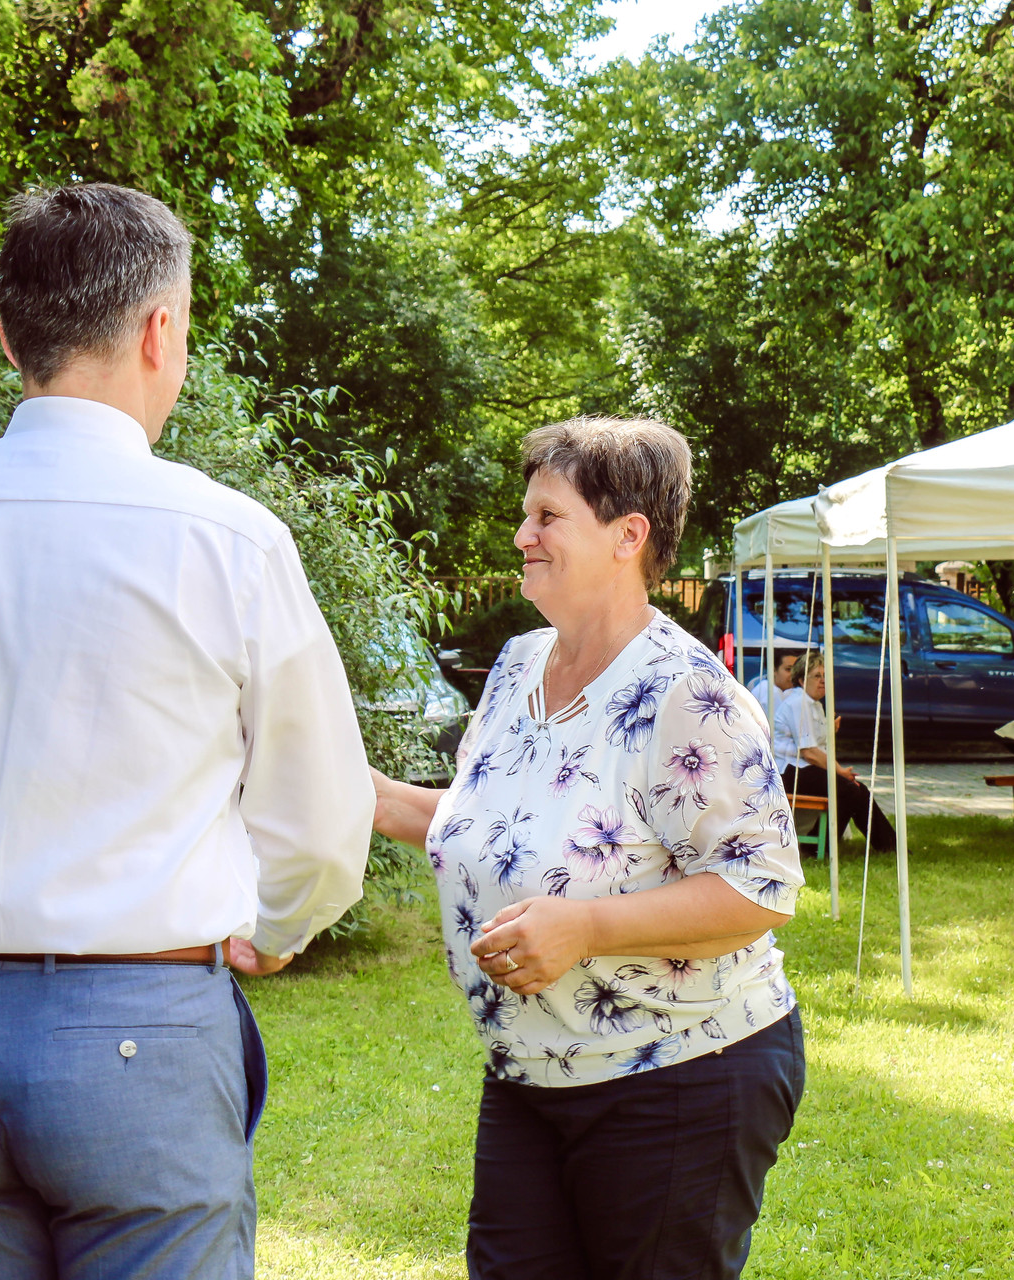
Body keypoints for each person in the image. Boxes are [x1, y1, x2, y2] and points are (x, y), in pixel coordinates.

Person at [0, 183, 373, 1280]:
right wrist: (275, 927)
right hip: (142, 1021)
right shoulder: (226, 538)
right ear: (160, 330)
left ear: (7, 335)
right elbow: (322, 817)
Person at [370, 416, 805, 1280]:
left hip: (680, 1072)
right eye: (525, 515)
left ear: (627, 536)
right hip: (530, 1071)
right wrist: (370, 798)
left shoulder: (686, 693)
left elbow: (760, 887)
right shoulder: (516, 666)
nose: (521, 536)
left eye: (547, 516)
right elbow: (497, 820)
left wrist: (586, 928)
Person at [774, 653, 896, 852]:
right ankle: (817, 847)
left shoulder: (813, 704)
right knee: (849, 790)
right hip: (790, 772)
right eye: (817, 676)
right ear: (802, 680)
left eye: (825, 676)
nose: (823, 681)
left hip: (803, 769)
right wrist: (840, 771)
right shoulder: (798, 703)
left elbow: (816, 746)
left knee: (858, 790)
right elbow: (809, 752)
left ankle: (889, 846)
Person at [747, 646, 806, 720]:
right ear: (774, 670)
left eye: (795, 670)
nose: (793, 674)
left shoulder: (764, 687)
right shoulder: (772, 692)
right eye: (788, 669)